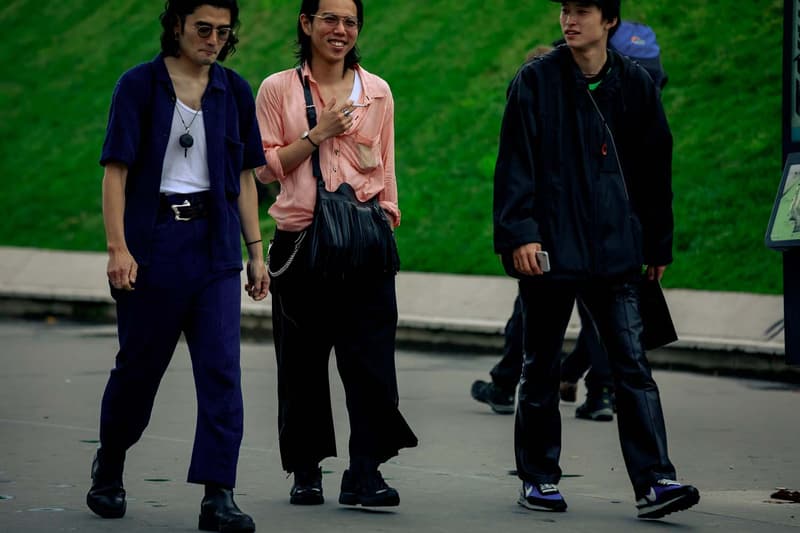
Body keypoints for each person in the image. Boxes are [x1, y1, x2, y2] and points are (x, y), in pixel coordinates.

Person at [493, 0, 700, 520]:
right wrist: (519, 233)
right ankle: (538, 479)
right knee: (539, 366)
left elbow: (656, 172)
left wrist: (657, 246)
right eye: (565, 9)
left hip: (615, 250)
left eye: (582, 10)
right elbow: (515, 162)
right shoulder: (535, 81)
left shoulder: (636, 86)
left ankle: (655, 481)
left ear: (609, 20)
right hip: (549, 248)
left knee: (633, 366)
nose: (569, 19)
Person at [87, 1, 266, 531]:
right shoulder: (139, 85)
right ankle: (111, 463)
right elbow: (115, 171)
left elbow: (245, 177)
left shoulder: (233, 90)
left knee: (221, 372)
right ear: (177, 27)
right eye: (203, 29)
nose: (213, 39)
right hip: (154, 243)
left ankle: (218, 495)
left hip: (215, 246)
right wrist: (118, 248)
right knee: (139, 370)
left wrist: (255, 252)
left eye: (222, 31)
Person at [254, 0, 418, 508]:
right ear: (306, 24)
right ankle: (306, 471)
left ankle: (365, 472)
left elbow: (386, 164)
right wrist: (315, 134)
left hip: (365, 245)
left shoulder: (378, 92)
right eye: (328, 19)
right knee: (301, 363)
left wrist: (387, 215)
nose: (339, 30)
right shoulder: (277, 89)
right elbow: (261, 170)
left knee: (371, 363)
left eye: (349, 21)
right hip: (301, 243)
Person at [472, 44, 616, 422]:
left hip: (555, 237)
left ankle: (509, 382)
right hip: (596, 236)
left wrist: (521, 234)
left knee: (533, 315)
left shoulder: (542, 101)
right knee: (599, 314)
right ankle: (598, 391)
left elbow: (517, 176)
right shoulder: (595, 100)